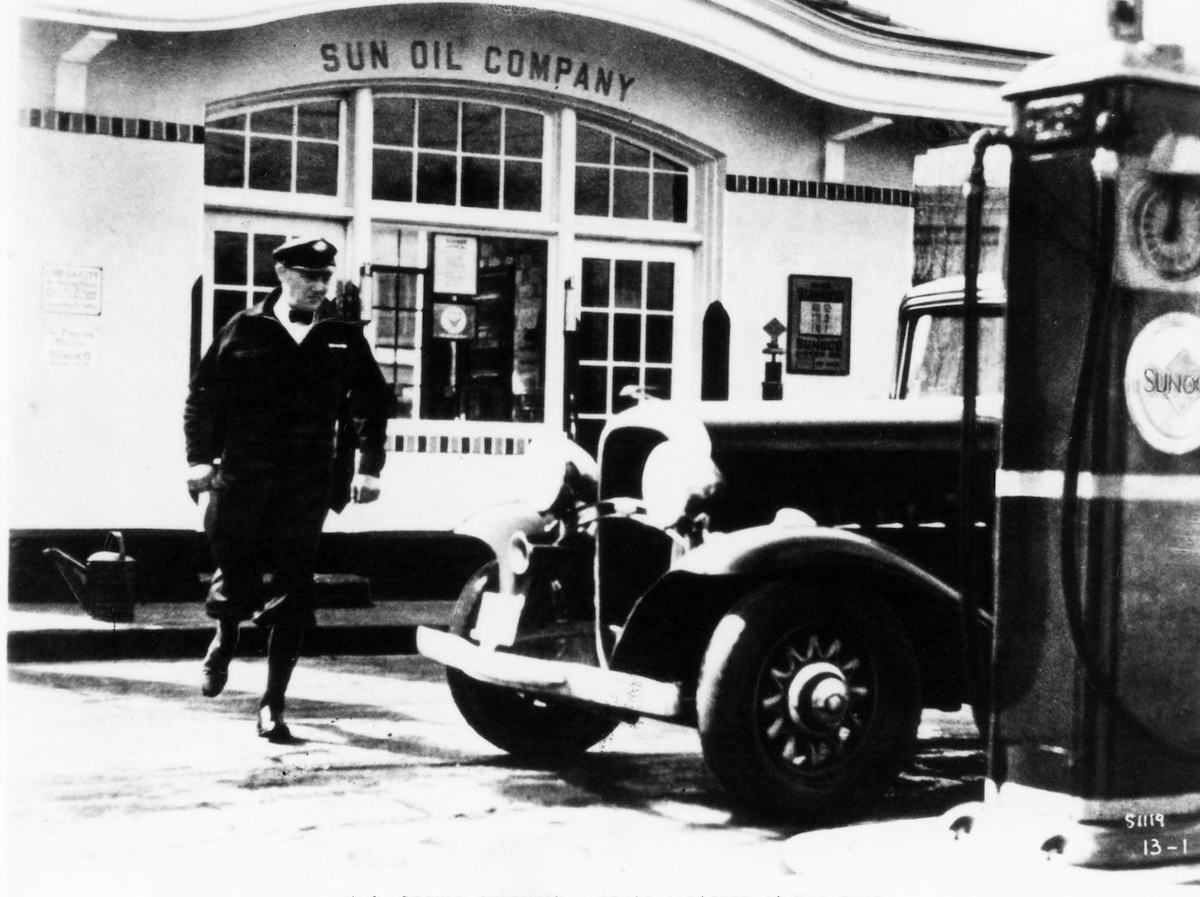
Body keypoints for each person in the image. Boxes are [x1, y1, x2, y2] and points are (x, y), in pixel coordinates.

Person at [184, 236, 391, 742]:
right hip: (242, 475)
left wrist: (369, 466)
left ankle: (273, 703)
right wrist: (197, 459)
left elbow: (371, 400)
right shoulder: (244, 327)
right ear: (281, 274)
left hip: (307, 480)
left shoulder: (343, 336)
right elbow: (203, 397)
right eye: (309, 276)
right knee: (234, 565)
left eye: (325, 277)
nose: (320, 286)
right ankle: (225, 637)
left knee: (294, 588)